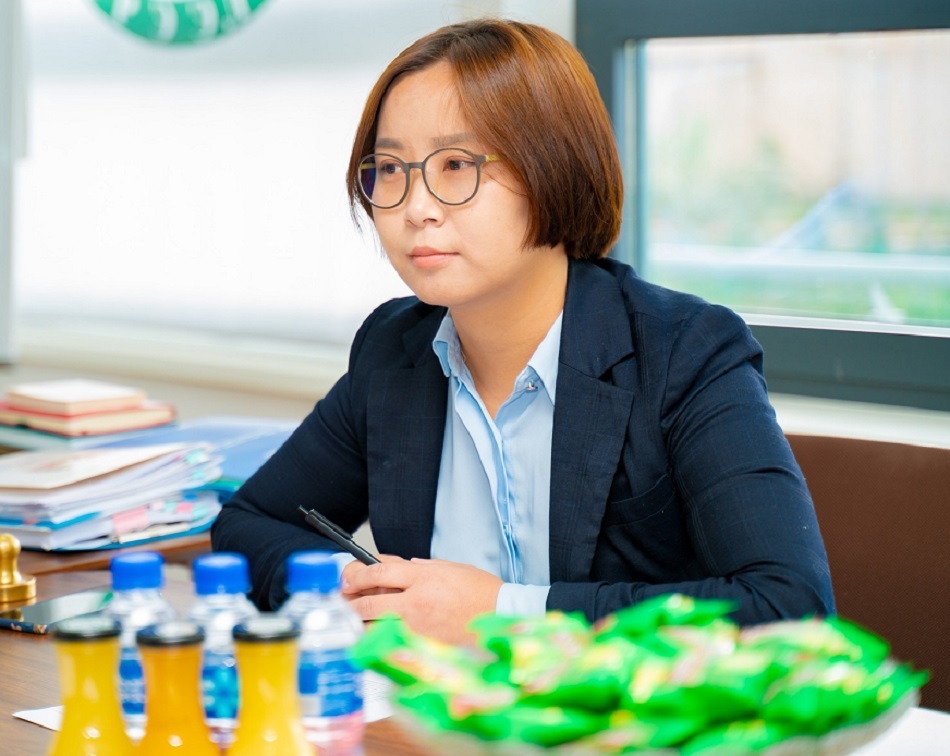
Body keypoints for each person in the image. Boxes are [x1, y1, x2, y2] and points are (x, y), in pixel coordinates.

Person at [211, 18, 835, 644]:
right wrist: (359, 588)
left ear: (553, 166)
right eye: (391, 168)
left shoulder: (683, 350)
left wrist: (503, 611)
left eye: (457, 164)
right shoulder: (394, 350)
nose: (416, 208)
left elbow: (788, 604)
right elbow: (249, 525)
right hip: (441, 703)